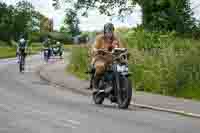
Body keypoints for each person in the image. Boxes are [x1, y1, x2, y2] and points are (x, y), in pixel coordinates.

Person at [90, 23, 125, 89]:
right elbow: (94, 47)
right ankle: (95, 86)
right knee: (100, 67)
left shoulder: (116, 39)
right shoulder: (99, 38)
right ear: (105, 31)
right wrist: (96, 50)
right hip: (100, 58)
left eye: (111, 30)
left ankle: (119, 84)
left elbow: (121, 47)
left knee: (122, 66)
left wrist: (123, 52)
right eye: (108, 30)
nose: (110, 32)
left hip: (112, 59)